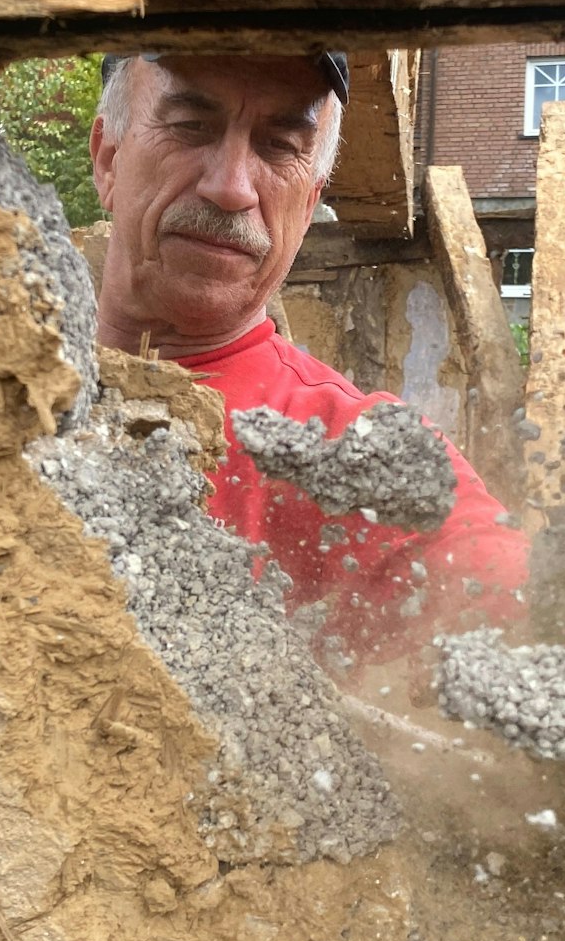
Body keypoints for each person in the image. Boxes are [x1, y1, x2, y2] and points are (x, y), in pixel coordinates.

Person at [88, 51, 529, 662]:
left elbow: (518, 612)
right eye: (191, 127)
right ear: (108, 158)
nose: (231, 188)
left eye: (279, 147)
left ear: (310, 199)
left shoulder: (354, 458)